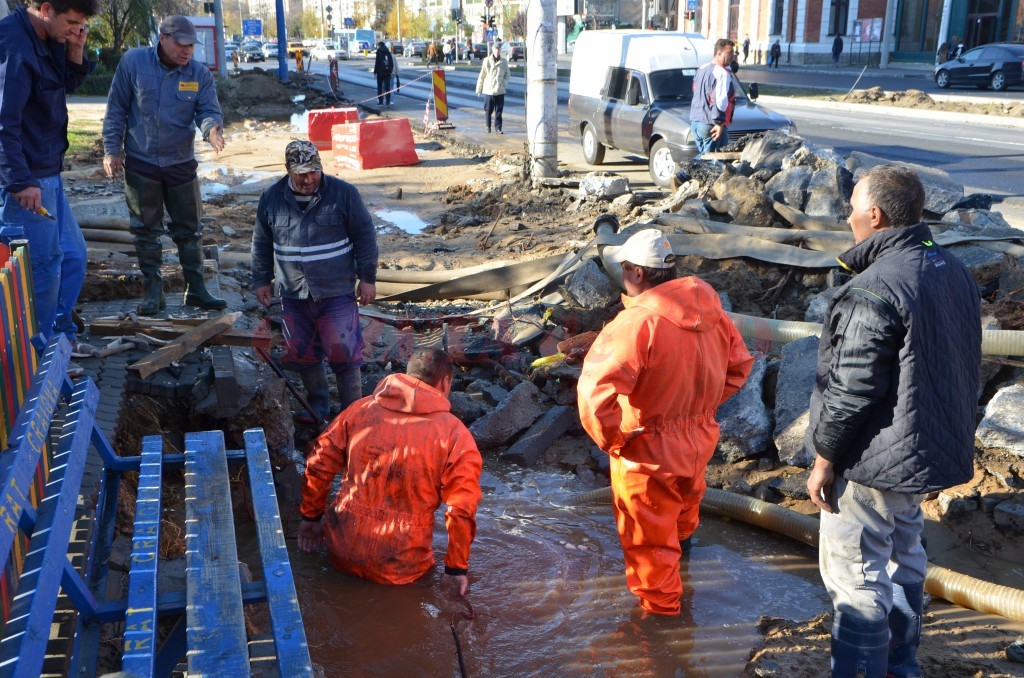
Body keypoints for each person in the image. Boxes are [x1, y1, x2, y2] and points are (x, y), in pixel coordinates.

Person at [805, 165, 981, 676]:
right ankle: (901, 666)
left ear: (875, 215)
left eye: (853, 207)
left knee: (857, 576)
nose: (848, 216)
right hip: (922, 453)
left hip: (871, 462)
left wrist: (824, 459)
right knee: (904, 560)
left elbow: (853, 389)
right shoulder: (951, 269)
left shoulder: (875, 288)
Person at [578, 229, 753, 616]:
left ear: (637, 273)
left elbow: (594, 394)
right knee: (682, 520)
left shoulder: (636, 324)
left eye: (623, 269)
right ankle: (683, 591)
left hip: (647, 449)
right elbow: (739, 366)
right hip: (697, 439)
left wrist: (614, 439)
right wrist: (700, 408)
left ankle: (661, 632)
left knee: (649, 545)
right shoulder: (714, 314)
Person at [298, 348, 482, 596]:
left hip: (341, 548)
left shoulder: (358, 410)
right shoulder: (455, 434)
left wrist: (310, 519)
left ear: (406, 375)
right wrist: (456, 569)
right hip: (402, 563)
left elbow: (319, 463)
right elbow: (461, 508)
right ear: (446, 382)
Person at [102, 16, 227, 315]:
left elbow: (208, 110)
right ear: (162, 38)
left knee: (189, 229)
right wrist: (111, 150)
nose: (187, 51)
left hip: (180, 163)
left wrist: (212, 130)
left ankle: (195, 289)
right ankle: (153, 292)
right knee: (145, 230)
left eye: (191, 46)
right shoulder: (133, 63)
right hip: (141, 163)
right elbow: (116, 109)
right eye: (181, 44)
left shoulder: (198, 74)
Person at [251, 140, 378, 423]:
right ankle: (318, 410)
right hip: (293, 293)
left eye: (314, 172)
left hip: (336, 291)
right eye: (302, 174)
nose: (309, 179)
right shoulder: (271, 198)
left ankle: (352, 416)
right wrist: (261, 279)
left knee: (344, 353)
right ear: (288, 171)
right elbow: (261, 242)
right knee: (303, 352)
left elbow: (365, 237)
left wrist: (367, 279)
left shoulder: (343, 194)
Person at [0, 0, 97, 345]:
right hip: (25, 176)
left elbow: (62, 87)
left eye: (81, 25)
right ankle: (31, 351)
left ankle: (59, 334)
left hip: (48, 170)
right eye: (71, 22)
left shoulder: (51, 39)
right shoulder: (13, 45)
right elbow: (3, 122)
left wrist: (76, 50)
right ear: (45, 8)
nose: (75, 29)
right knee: (40, 268)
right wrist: (19, 180)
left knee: (72, 256)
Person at [688, 39, 736, 158]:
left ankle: (684, 174)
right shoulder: (722, 74)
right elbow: (719, 101)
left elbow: (695, 90)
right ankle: (683, 174)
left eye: (733, 53)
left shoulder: (702, 69)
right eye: (729, 53)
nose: (732, 56)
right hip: (711, 124)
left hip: (696, 123)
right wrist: (719, 123)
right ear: (719, 53)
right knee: (714, 159)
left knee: (709, 159)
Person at [476, 42, 510, 134]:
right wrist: (479, 89)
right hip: (489, 90)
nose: (497, 51)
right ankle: (488, 126)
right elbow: (482, 75)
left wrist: (503, 84)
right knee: (488, 110)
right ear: (492, 50)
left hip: (499, 90)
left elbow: (507, 75)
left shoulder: (504, 62)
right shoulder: (487, 60)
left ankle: (498, 128)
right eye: (495, 49)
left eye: (498, 49)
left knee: (499, 111)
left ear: (500, 50)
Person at [373, 41, 394, 108]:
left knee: (380, 87)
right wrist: (390, 71)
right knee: (387, 88)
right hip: (387, 72)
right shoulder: (388, 52)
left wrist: (375, 72)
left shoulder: (379, 52)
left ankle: (380, 101)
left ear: (379, 46)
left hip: (380, 73)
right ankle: (388, 102)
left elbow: (377, 62)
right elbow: (391, 63)